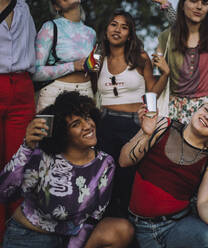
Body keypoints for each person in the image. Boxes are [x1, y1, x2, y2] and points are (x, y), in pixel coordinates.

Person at [0, 91, 133, 248]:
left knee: (122, 229)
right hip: (28, 237)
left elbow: (94, 216)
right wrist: (26, 148)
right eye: (76, 124)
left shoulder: (105, 163)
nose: (87, 126)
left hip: (71, 239)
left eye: (87, 117)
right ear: (63, 133)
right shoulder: (43, 157)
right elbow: (4, 193)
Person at [119, 97, 208, 248]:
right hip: (139, 226)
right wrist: (146, 134)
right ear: (197, 110)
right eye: (206, 110)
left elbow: (204, 202)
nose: (207, 117)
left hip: (175, 226)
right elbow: (123, 161)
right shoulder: (163, 125)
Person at [96, 9, 170, 218]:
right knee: (105, 178)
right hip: (105, 123)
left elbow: (151, 93)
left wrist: (165, 74)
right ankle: (107, 226)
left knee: (129, 179)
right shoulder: (98, 59)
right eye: (113, 24)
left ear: (130, 34)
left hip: (133, 125)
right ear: (106, 29)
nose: (117, 29)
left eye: (124, 26)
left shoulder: (140, 58)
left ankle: (131, 228)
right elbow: (94, 89)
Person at [0, 0, 36, 243]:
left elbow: (30, 46)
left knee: (19, 164)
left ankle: (17, 236)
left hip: (22, 86)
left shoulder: (23, 7)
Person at [33, 0, 96, 112]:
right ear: (56, 6)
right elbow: (35, 72)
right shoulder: (50, 27)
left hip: (86, 92)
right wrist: (73, 66)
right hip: (56, 93)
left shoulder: (91, 33)